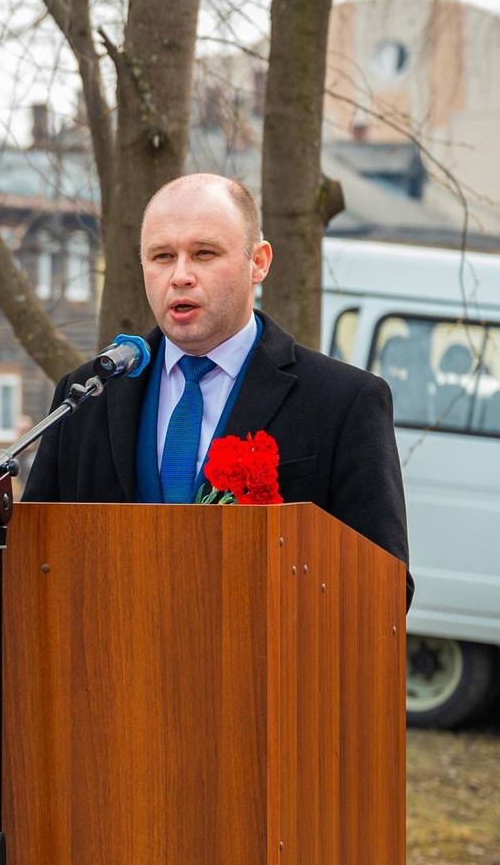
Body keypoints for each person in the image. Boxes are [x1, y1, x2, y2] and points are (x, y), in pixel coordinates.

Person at [24, 173, 410, 569]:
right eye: (162, 256)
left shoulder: (341, 401)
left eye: (204, 253)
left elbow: (383, 582)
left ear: (258, 262)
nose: (180, 276)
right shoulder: (87, 394)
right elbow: (35, 558)